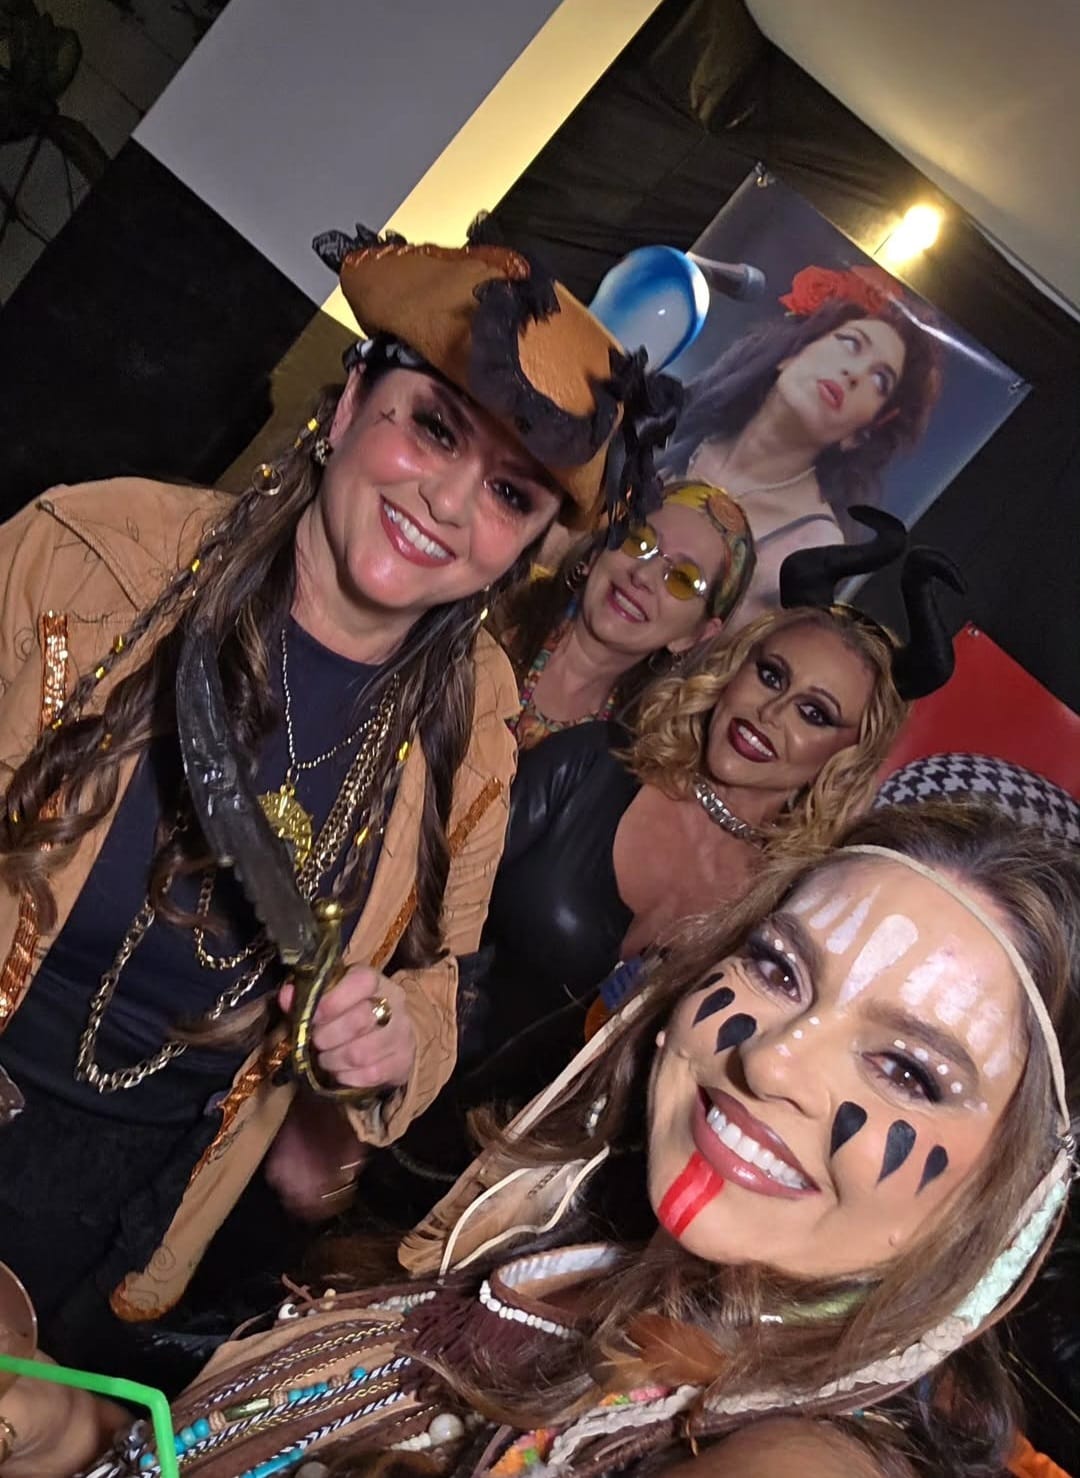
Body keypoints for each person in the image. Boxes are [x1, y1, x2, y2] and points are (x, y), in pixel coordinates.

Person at [0, 222, 682, 1367]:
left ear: (529, 546)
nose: (450, 502)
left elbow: (442, 982)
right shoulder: (96, 553)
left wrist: (387, 1041)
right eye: (434, 428)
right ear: (355, 396)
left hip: (127, 1183)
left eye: (509, 491)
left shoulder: (473, 726)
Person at [5, 801, 1078, 1478]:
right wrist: (68, 1427)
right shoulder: (567, 1257)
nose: (776, 1061)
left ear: (1007, 1199)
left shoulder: (800, 1454)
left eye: (908, 1071)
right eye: (779, 968)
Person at [348, 513, 960, 1220]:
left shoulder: (781, 920)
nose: (770, 713)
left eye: (814, 713)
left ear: (845, 758)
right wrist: (346, 1115)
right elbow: (408, 913)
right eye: (770, 675)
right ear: (732, 672)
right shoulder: (588, 766)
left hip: (510, 1211)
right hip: (371, 1098)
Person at [659, 264, 942, 623]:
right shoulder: (679, 418)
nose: (855, 373)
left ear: (859, 435)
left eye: (879, 381)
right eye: (851, 344)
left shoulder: (811, 545)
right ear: (793, 353)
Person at [497, 480, 755, 750]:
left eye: (682, 579)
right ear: (599, 549)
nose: (643, 575)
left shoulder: (638, 754)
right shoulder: (493, 603)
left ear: (694, 635)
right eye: (640, 541)